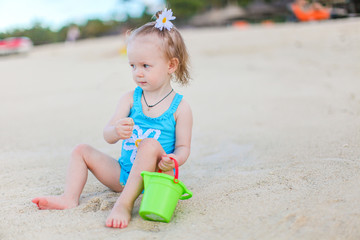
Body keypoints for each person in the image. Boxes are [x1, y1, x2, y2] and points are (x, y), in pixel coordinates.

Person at [32, 8, 193, 229]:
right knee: (81, 150)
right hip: (122, 174)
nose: (138, 73)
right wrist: (117, 130)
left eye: (146, 66)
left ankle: (124, 204)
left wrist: (174, 159)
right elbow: (107, 135)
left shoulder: (180, 107)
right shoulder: (129, 99)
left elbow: (184, 147)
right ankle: (69, 198)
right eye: (133, 66)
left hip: (155, 180)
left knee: (149, 144)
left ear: (171, 65)